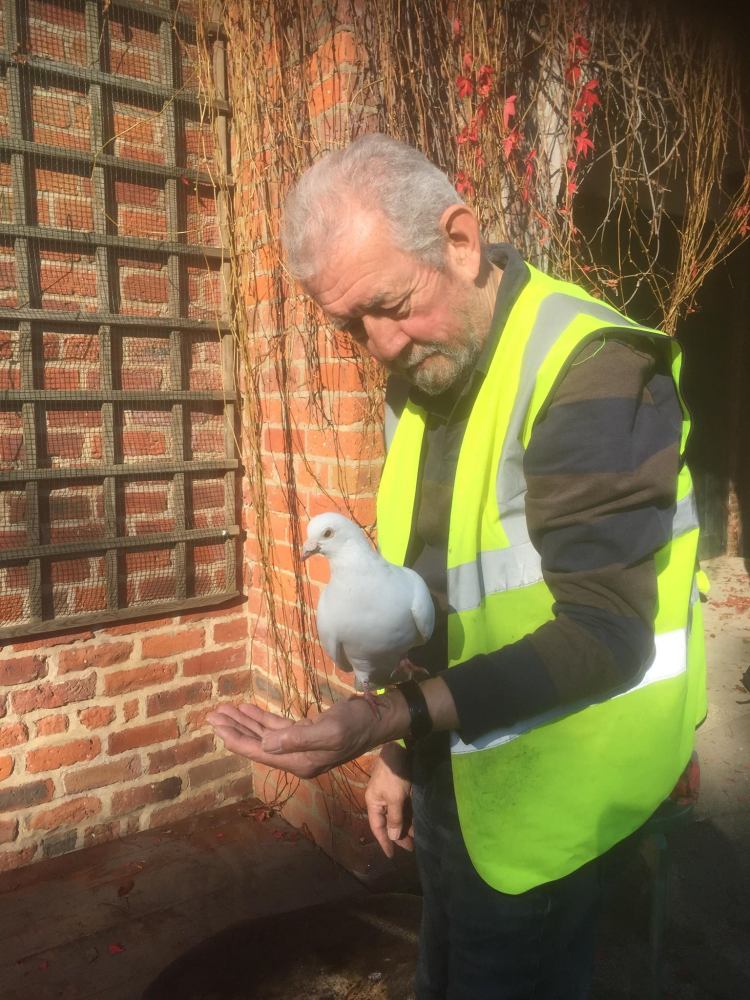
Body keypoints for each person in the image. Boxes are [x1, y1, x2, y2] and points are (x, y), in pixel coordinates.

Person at [208, 134, 707, 998]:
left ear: (462, 241)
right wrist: (405, 755)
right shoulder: (426, 376)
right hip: (461, 773)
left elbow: (606, 634)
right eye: (351, 325)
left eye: (392, 305)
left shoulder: (591, 370)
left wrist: (385, 720)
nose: (381, 345)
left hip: (556, 802)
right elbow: (434, 595)